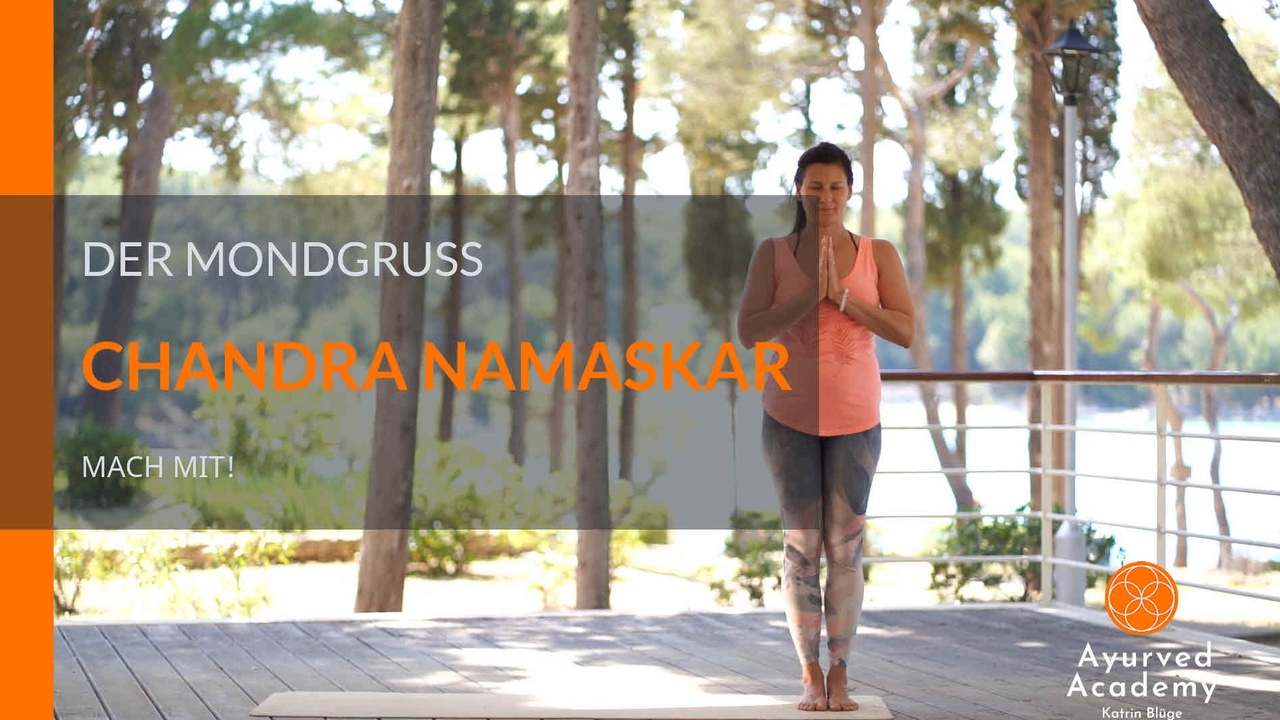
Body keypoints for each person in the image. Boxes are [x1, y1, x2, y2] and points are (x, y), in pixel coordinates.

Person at [736, 141, 915, 712]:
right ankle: (809, 673)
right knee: (800, 550)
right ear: (798, 190)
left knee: (845, 548)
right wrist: (809, 296)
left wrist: (841, 297)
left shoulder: (878, 254)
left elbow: (905, 330)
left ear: (850, 191)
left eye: (836, 186)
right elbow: (749, 331)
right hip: (787, 420)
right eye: (815, 186)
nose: (826, 197)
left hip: (856, 421)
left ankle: (840, 671)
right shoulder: (772, 254)